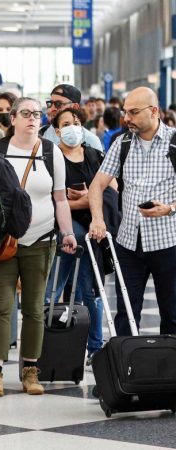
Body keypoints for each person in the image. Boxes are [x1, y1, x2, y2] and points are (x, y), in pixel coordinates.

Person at [0, 98, 77, 398]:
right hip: (5, 242)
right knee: (0, 306)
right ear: (13, 119)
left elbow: (60, 199)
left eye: (37, 114)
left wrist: (68, 232)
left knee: (33, 308)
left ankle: (30, 370)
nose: (32, 118)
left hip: (42, 240)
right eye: (26, 113)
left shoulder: (51, 152)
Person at [89, 87, 176, 336]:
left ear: (154, 111)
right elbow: (97, 185)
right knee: (126, 314)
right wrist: (98, 219)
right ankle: (126, 361)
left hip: (168, 242)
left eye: (134, 112)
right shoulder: (122, 143)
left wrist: (170, 208)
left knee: (172, 313)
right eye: (125, 112)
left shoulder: (174, 143)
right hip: (128, 244)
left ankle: (169, 361)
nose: (127, 118)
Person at [43, 108, 118, 365]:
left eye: (76, 122)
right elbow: (52, 201)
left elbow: (113, 189)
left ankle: (94, 346)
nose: (73, 128)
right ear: (57, 131)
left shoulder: (95, 155)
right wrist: (89, 199)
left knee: (89, 286)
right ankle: (47, 344)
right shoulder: (51, 158)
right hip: (68, 229)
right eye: (66, 124)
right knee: (73, 283)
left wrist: (85, 198)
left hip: (95, 227)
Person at [41, 84, 103, 152]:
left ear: (75, 107)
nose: (52, 109)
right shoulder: (40, 136)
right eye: (50, 103)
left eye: (58, 104)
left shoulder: (91, 141)